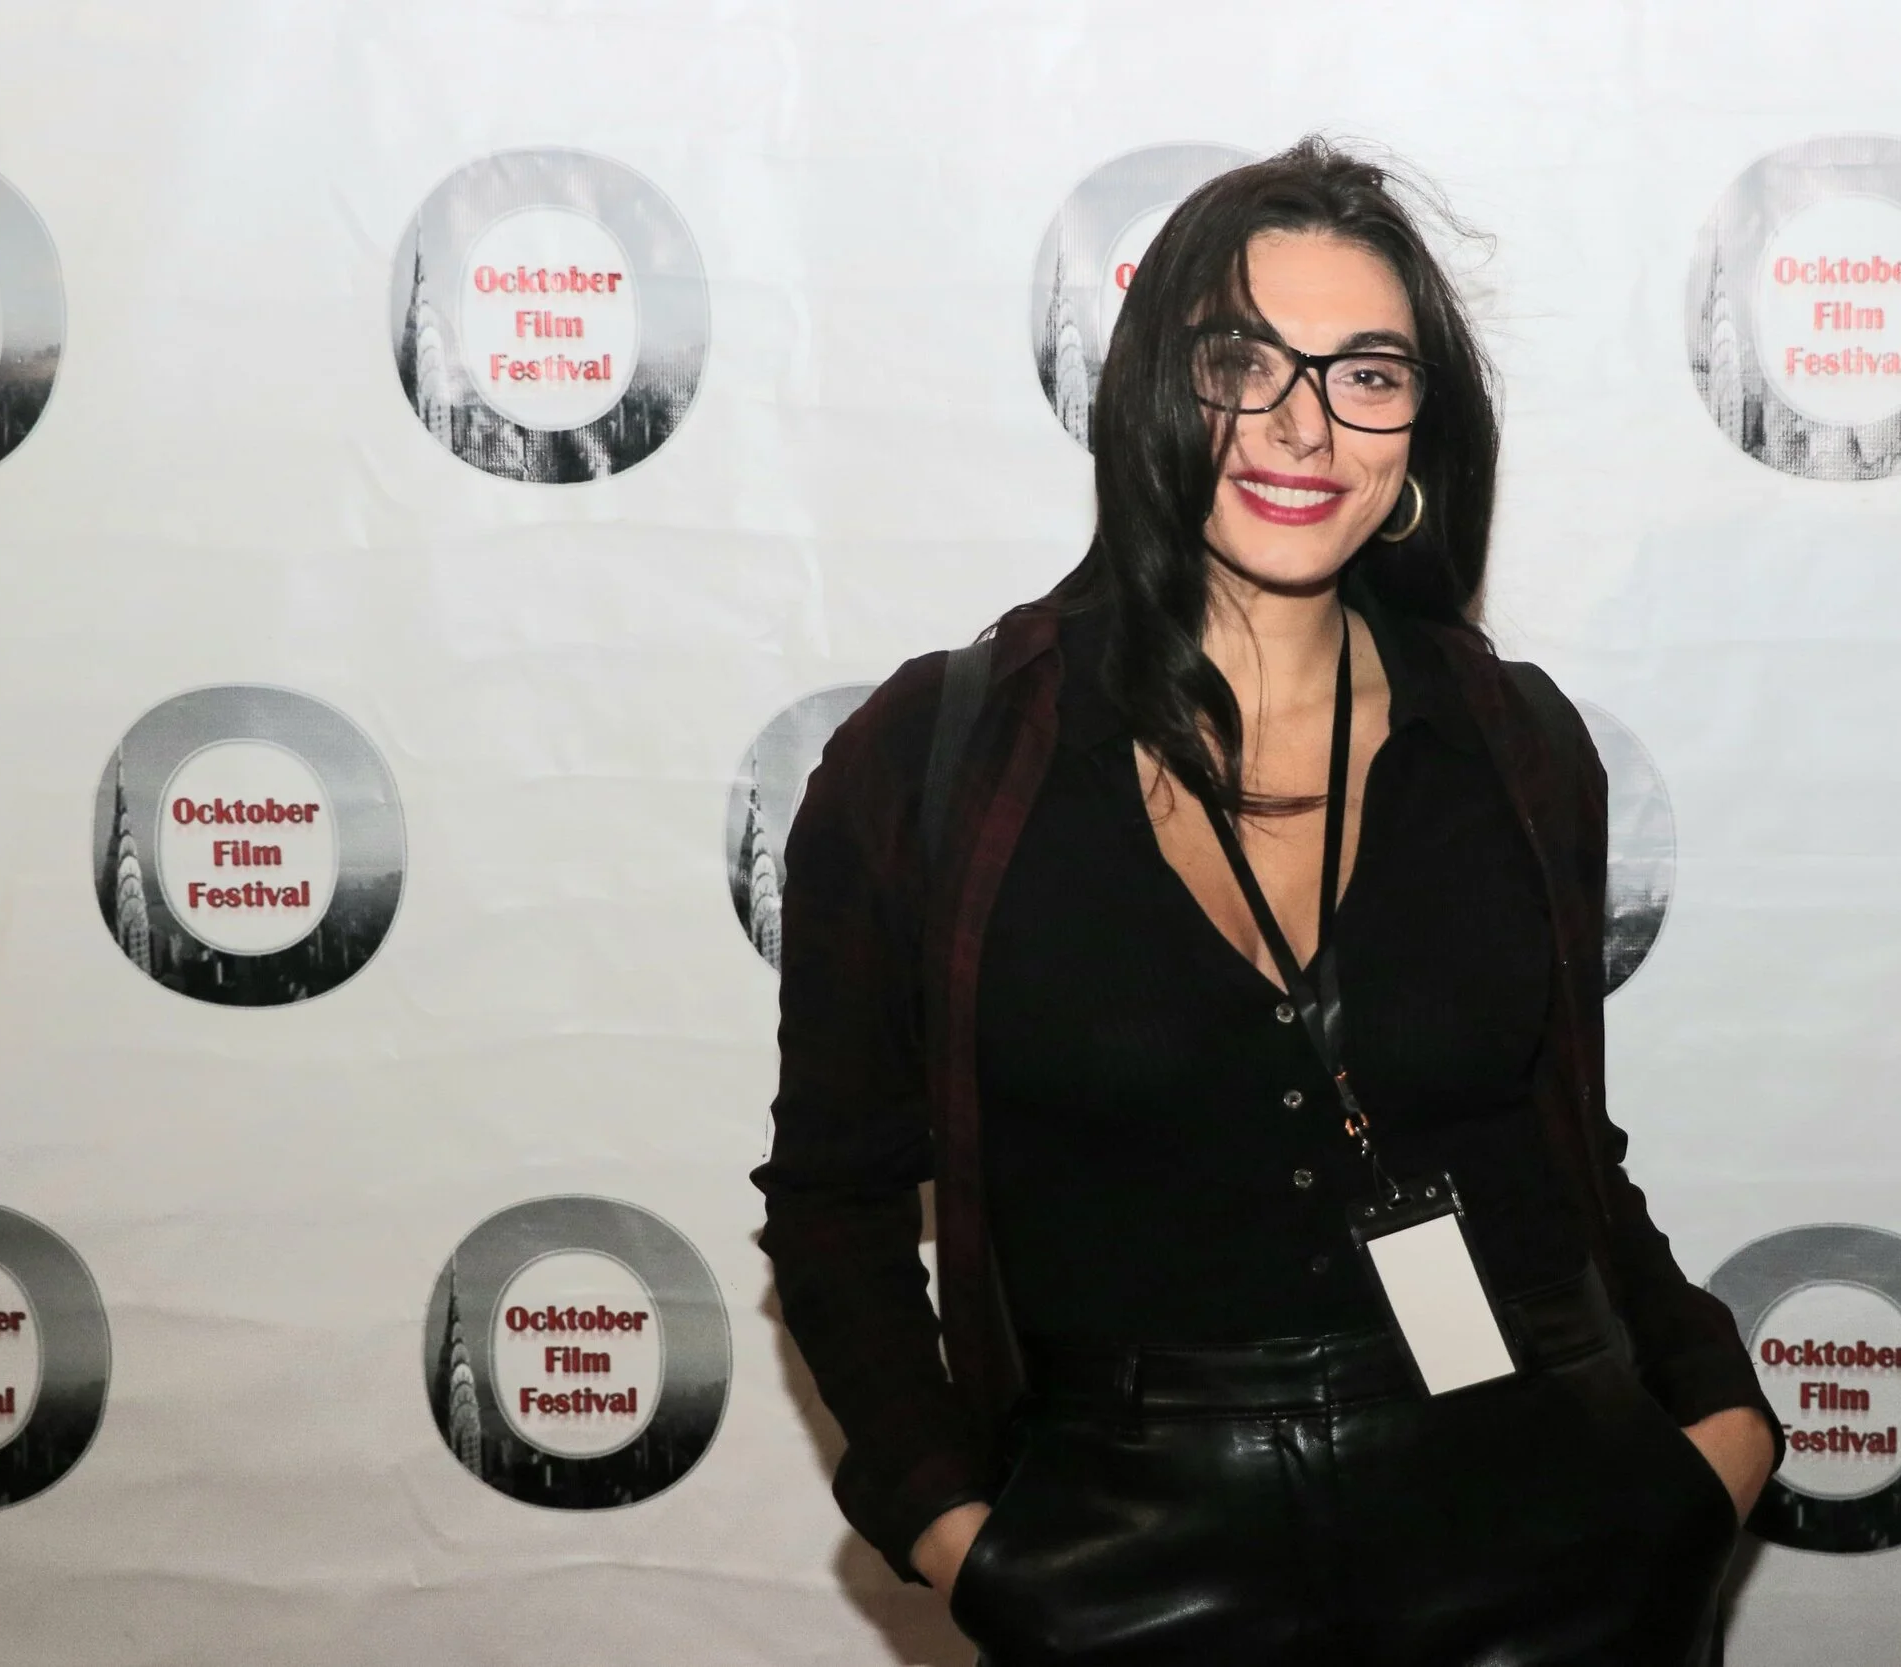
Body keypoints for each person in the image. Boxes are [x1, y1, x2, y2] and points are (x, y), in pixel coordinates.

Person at [754, 136, 1782, 1666]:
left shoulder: (1515, 745)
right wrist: (963, 1540)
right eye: (1244, 362)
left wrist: (1718, 1435)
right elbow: (835, 1204)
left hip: (1551, 1541)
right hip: (1124, 1559)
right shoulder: (933, 758)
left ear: (1420, 429)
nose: (1306, 424)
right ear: (1153, 395)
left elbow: (1570, 1152)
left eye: (1368, 373)